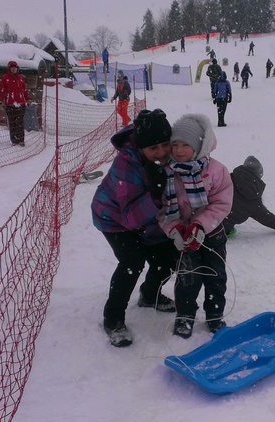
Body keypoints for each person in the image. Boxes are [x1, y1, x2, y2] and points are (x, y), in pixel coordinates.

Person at [91, 109, 179, 347]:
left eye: (164, 144)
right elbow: (131, 218)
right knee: (133, 261)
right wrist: (154, 194)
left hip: (150, 217)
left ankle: (150, 295)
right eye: (153, 149)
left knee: (169, 255)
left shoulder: (172, 157)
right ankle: (113, 319)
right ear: (141, 147)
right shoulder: (126, 164)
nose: (161, 152)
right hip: (113, 218)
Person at [158, 113, 233, 339]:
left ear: (200, 146)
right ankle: (185, 316)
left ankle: (215, 316)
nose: (179, 150)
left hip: (212, 235)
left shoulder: (216, 171)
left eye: (186, 145)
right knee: (187, 278)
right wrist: (174, 229)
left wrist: (201, 225)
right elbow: (162, 209)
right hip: (184, 238)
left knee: (215, 277)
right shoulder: (167, 173)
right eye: (175, 145)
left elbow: (222, 203)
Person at [223, 156, 275, 236]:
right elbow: (269, 219)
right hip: (221, 229)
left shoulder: (227, 179)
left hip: (209, 217)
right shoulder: (254, 201)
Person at [0, 60, 31, 146]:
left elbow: (25, 90)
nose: (13, 69)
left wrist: (28, 99)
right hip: (10, 104)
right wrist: (1, 101)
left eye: (14, 68)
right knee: (12, 123)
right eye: (11, 68)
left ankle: (21, 140)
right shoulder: (5, 78)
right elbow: (1, 90)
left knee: (20, 122)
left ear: (17, 69)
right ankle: (14, 140)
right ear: (9, 69)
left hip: (21, 104)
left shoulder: (21, 78)